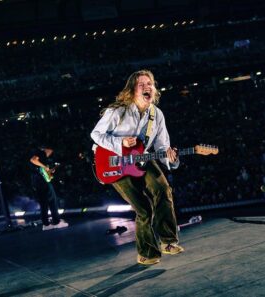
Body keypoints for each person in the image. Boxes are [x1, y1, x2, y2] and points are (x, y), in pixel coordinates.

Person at [90, 70, 184, 265]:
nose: (147, 86)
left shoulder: (156, 114)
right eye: (141, 84)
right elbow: (96, 135)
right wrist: (121, 143)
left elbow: (162, 145)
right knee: (144, 209)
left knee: (163, 189)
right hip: (114, 162)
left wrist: (170, 157)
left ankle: (168, 241)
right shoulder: (118, 111)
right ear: (133, 91)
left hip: (142, 157)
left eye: (149, 83)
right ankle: (146, 253)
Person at [30, 146, 68, 231]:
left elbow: (39, 169)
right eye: (50, 152)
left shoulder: (36, 153)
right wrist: (44, 166)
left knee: (44, 203)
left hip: (36, 181)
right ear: (47, 149)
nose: (50, 153)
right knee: (52, 201)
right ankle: (57, 222)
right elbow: (33, 160)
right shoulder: (41, 152)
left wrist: (49, 170)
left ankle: (46, 224)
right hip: (42, 181)